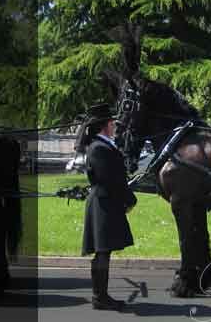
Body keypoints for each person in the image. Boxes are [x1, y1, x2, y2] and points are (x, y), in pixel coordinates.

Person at [80, 103, 137, 311]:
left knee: (104, 251)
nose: (115, 126)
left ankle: (100, 296)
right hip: (103, 203)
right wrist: (129, 199)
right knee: (102, 251)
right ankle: (100, 297)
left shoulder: (101, 145)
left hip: (106, 202)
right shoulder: (99, 147)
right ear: (105, 125)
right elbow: (110, 180)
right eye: (112, 122)